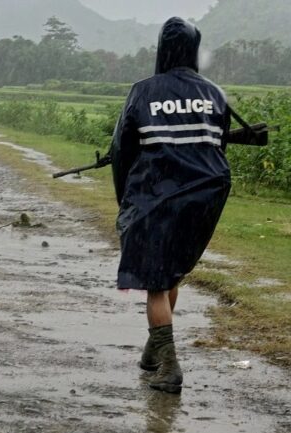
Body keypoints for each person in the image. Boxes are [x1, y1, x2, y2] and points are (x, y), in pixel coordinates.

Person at [111, 17, 232, 394]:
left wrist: (126, 204)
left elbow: (121, 151)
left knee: (156, 283)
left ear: (162, 49)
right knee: (170, 273)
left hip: (159, 195)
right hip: (209, 194)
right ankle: (154, 348)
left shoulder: (143, 91)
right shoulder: (214, 93)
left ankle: (169, 367)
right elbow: (219, 143)